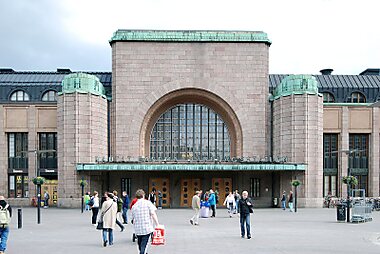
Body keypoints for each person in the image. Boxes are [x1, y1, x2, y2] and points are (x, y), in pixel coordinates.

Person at [132, 189, 160, 254]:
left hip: (138, 229)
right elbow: (153, 214)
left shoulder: (134, 206)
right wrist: (157, 224)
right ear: (143, 195)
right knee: (144, 244)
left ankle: (143, 252)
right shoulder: (148, 203)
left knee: (140, 244)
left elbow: (132, 218)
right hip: (147, 227)